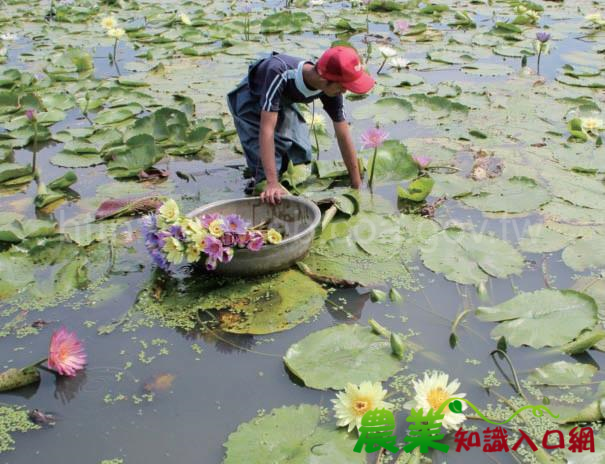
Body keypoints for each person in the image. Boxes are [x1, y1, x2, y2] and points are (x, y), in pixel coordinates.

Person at [227, 46, 375, 204]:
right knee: (265, 173)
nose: (344, 92)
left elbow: (342, 133)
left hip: (283, 103)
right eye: (343, 87)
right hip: (251, 103)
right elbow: (267, 129)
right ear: (324, 80)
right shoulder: (279, 73)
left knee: (300, 155)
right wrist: (272, 183)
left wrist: (356, 184)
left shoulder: (330, 88)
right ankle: (260, 192)